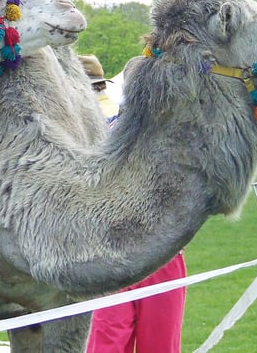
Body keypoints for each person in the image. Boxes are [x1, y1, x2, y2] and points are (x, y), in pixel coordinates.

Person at [79, 54, 187, 353]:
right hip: (112, 256)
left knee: (160, 344)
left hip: (161, 256)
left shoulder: (178, 140)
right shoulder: (104, 135)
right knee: (107, 343)